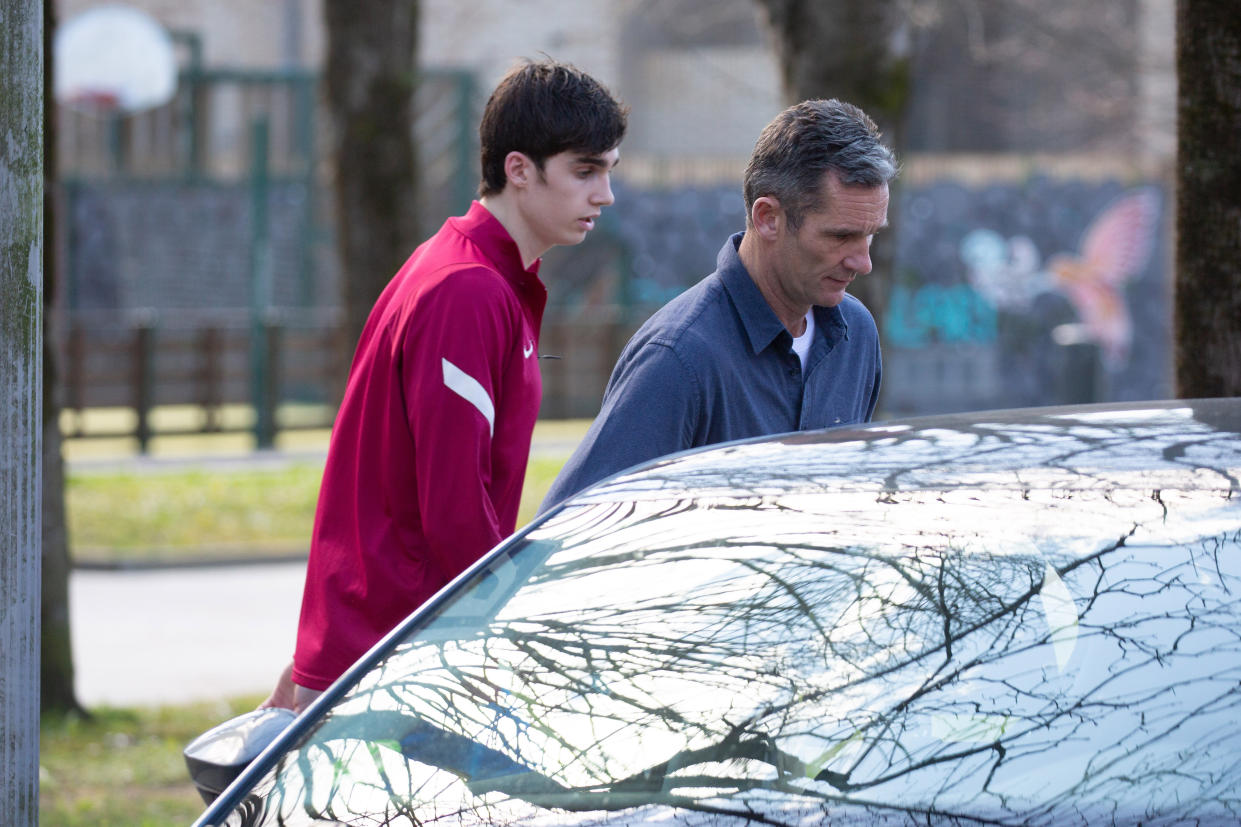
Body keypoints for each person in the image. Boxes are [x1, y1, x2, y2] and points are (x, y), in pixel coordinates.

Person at [262, 59, 627, 713]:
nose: (604, 194)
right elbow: (454, 506)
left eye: (608, 171)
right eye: (585, 170)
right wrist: (501, 638)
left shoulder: (470, 273)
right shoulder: (467, 289)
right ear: (519, 168)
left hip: (393, 647)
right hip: (398, 660)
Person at [540, 98, 897, 512]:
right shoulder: (678, 359)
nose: (863, 262)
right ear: (767, 218)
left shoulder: (856, 335)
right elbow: (567, 527)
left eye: (871, 236)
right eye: (840, 237)